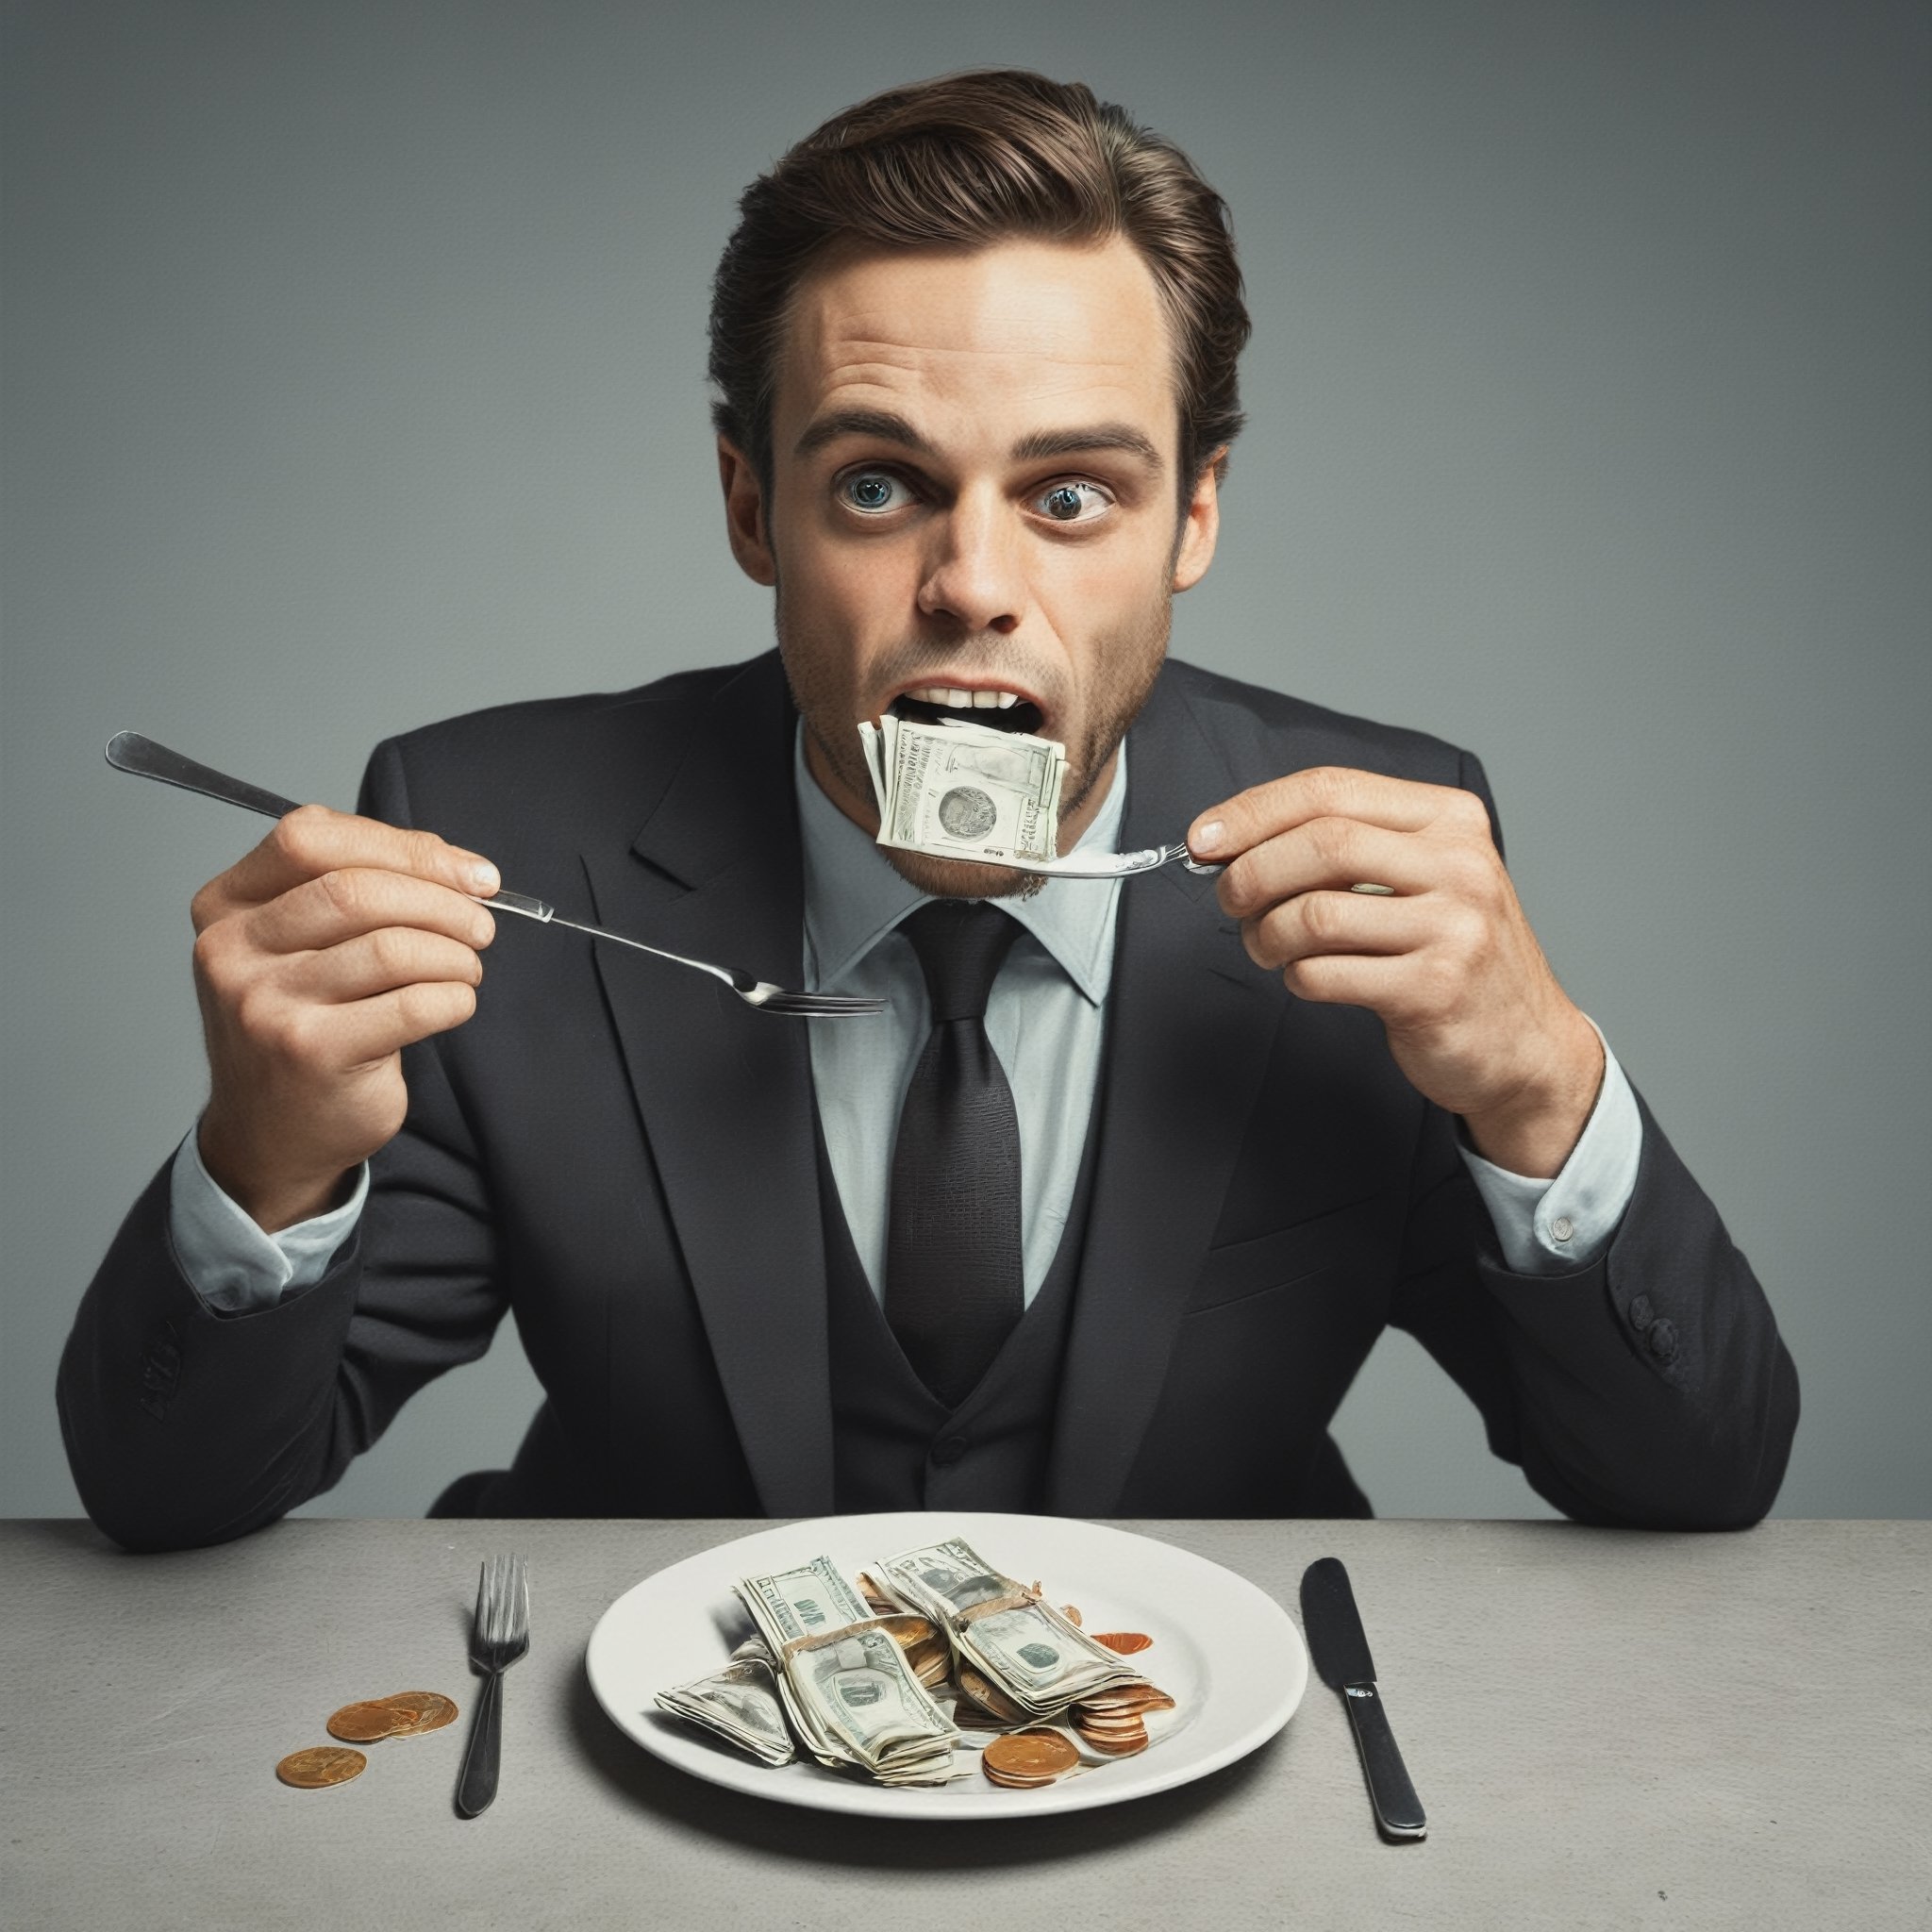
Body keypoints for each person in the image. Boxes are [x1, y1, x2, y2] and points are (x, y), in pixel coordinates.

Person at [59, 71, 1798, 1552]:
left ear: (1192, 520)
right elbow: (172, 1498)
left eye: (1072, 493)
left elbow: (1695, 1476)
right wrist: (265, 1162)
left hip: (1210, 1764)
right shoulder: (497, 837)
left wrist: (1540, 1090)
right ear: (753, 509)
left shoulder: (1388, 862)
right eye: (880, 484)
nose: (973, 584)